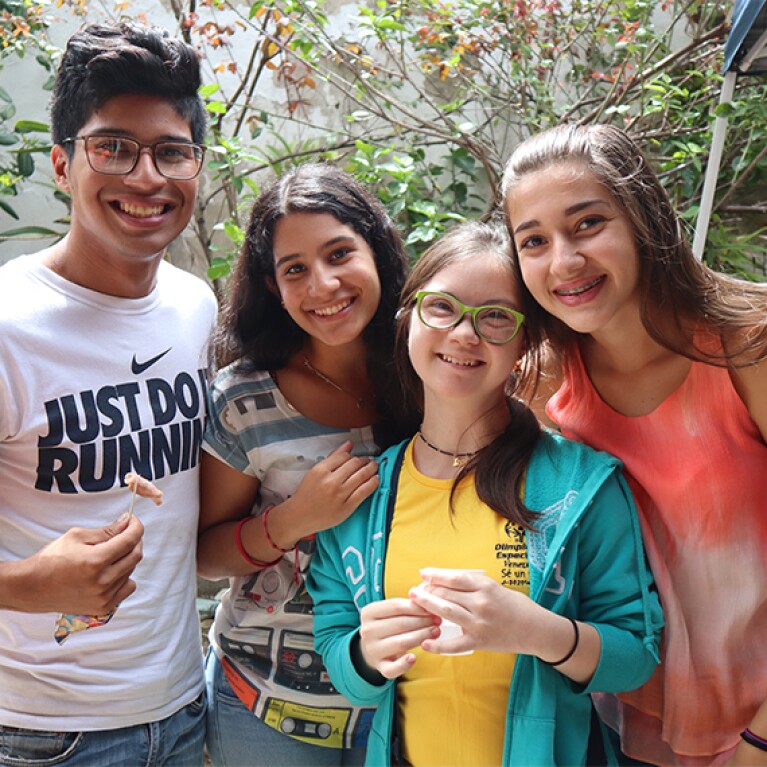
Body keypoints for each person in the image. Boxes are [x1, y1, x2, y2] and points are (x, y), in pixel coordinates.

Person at [306, 221, 664, 767]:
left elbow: (637, 656)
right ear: (409, 322)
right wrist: (363, 654)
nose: (464, 334)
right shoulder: (360, 499)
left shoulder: (582, 486)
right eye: (442, 307)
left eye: (495, 316)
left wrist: (538, 632)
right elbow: (341, 660)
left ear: (525, 343)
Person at [501, 122, 767, 766]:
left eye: (587, 224)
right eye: (533, 240)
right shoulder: (544, 384)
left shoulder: (747, 346)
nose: (563, 261)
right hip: (635, 723)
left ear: (644, 217)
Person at [0, 22, 216, 767]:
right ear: (62, 164)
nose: (146, 177)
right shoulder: (7, 326)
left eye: (171, 151)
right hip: (42, 732)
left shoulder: (196, 307)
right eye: (113, 147)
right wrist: (33, 583)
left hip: (184, 709)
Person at [197, 162, 414, 767]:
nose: (322, 285)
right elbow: (205, 554)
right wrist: (294, 519)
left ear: (377, 247)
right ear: (273, 286)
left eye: (340, 253)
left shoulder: (431, 371)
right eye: (295, 269)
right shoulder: (244, 398)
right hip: (266, 705)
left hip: (405, 700)